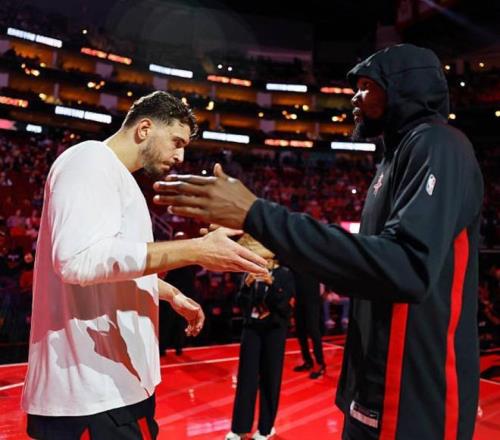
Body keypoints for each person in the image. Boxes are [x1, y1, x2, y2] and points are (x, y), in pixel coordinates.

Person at [154, 44, 484, 439]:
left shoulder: (439, 144)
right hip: (370, 391)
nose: (354, 97)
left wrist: (257, 214)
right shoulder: (390, 159)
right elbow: (364, 268)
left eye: (367, 86)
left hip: (415, 398)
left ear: (403, 89)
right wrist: (255, 231)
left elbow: (407, 268)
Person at [21, 91, 268, 440]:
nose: (180, 156)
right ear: (145, 129)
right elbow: (77, 261)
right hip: (92, 393)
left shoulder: (117, 177)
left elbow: (108, 265)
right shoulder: (90, 160)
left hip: (112, 389)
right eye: (177, 142)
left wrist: (168, 292)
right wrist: (196, 250)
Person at [225, 235, 294, 440]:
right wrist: (246, 286)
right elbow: (240, 303)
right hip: (252, 329)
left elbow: (285, 308)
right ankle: (239, 428)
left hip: (274, 331)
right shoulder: (249, 273)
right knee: (246, 378)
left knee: (270, 378)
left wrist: (272, 284)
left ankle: (266, 428)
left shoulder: (285, 275)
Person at [291, 271, 325, 379]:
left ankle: (320, 363)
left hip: (312, 297)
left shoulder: (313, 263)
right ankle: (307, 361)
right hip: (298, 297)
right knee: (300, 331)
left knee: (313, 331)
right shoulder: (295, 264)